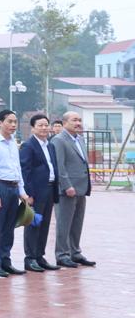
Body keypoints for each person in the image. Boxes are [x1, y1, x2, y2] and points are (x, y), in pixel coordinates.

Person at [0, 109, 32, 277]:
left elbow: (17, 168)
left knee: (9, 228)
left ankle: (6, 261)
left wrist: (22, 191)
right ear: (0, 123)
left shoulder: (13, 143)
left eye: (15, 122)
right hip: (0, 187)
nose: (13, 125)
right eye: (9, 121)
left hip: (13, 187)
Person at [50, 111, 96, 268]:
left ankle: (75, 252)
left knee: (77, 222)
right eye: (74, 120)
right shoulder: (59, 140)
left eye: (79, 120)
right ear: (64, 123)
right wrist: (66, 185)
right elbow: (59, 165)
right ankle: (62, 254)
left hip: (81, 188)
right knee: (64, 223)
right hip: (67, 189)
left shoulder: (80, 139)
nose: (78, 123)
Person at [20, 113, 60, 273]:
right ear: (33, 128)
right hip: (35, 192)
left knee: (44, 224)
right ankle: (30, 258)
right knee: (33, 224)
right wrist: (28, 193)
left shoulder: (50, 145)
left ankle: (39, 256)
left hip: (49, 189)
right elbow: (25, 171)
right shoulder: (28, 146)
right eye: (40, 125)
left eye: (46, 125)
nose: (44, 128)